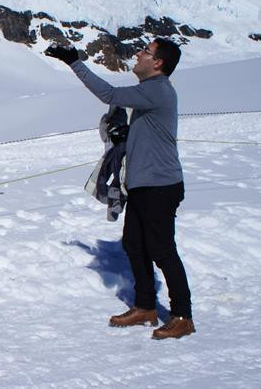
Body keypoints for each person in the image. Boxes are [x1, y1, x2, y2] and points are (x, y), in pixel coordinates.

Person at [45, 38, 194, 340]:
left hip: (160, 186)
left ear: (158, 63)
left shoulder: (156, 89)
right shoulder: (150, 92)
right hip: (144, 185)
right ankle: (145, 307)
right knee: (134, 245)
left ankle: (182, 315)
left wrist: (74, 62)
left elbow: (109, 94)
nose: (139, 54)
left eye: (146, 52)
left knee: (163, 251)